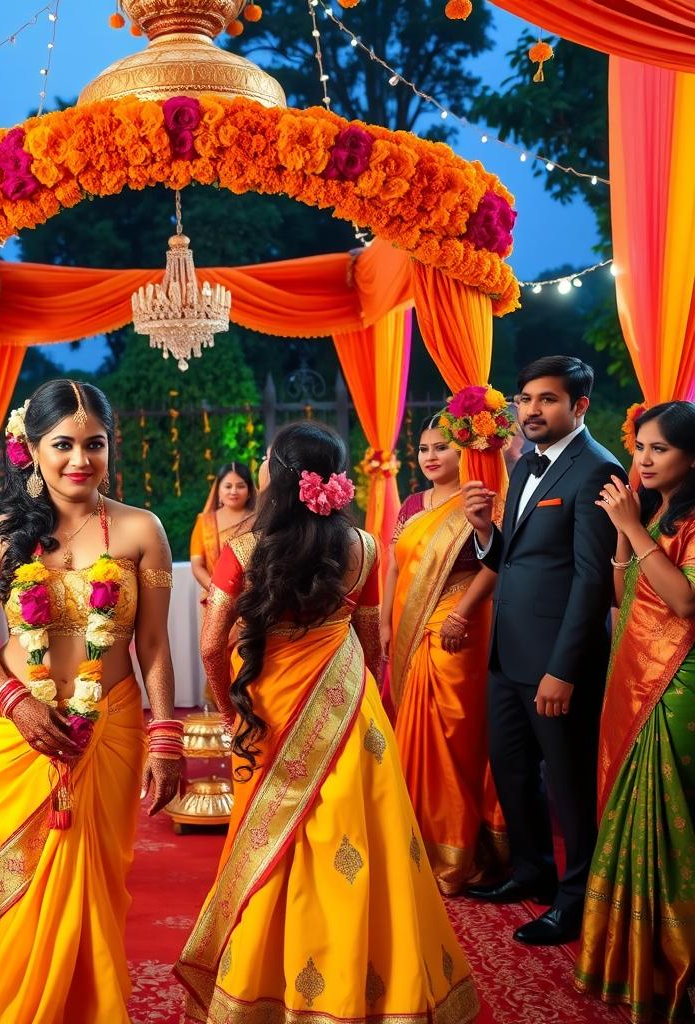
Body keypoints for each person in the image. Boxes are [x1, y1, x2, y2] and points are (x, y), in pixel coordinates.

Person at [176, 421, 480, 1024]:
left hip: (268, 705)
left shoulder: (242, 549)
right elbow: (371, 643)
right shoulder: (364, 546)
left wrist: (233, 708)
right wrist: (357, 700)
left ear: (281, 478)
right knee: (361, 837)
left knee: (274, 840)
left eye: (265, 460)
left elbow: (213, 645)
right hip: (348, 703)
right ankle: (371, 986)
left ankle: (263, 984)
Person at [0, 380, 182, 1024]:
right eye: (63, 444)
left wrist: (164, 736)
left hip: (107, 726)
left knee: (96, 886)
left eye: (95, 443)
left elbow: (155, 646)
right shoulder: (1, 534)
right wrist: (18, 704)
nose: (80, 459)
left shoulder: (141, 529)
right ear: (31, 449)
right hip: (13, 734)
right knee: (18, 897)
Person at [463, 355, 624, 945]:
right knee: (511, 769)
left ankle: (577, 901)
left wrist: (563, 669)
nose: (530, 410)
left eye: (547, 399)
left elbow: (589, 581)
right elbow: (518, 557)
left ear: (578, 406)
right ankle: (531, 871)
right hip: (509, 654)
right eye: (525, 399)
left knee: (569, 782)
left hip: (559, 660)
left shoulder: (598, 470)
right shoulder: (526, 464)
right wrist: (485, 532)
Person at [575, 401, 695, 1020]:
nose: (643, 460)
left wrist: (634, 529)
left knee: (664, 819)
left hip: (676, 688)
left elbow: (683, 604)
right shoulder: (660, 513)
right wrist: (627, 534)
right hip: (632, 678)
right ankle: (631, 957)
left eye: (659, 450)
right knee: (628, 810)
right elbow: (626, 601)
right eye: (641, 447)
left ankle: (675, 961)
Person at [379, 415, 505, 895]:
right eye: (424, 448)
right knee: (409, 725)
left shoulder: (479, 498)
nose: (430, 456)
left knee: (453, 732)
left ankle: (455, 845)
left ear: (463, 453)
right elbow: (394, 566)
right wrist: (387, 622)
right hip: (410, 625)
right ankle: (414, 840)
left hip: (460, 625)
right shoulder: (412, 504)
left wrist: (461, 614)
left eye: (441, 448)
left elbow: (495, 563)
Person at [189, 461, 256, 605]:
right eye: (228, 486)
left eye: (240, 486)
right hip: (215, 601)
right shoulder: (205, 522)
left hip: (252, 601)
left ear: (249, 491)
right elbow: (197, 565)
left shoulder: (259, 521)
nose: (233, 491)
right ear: (218, 490)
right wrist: (217, 591)